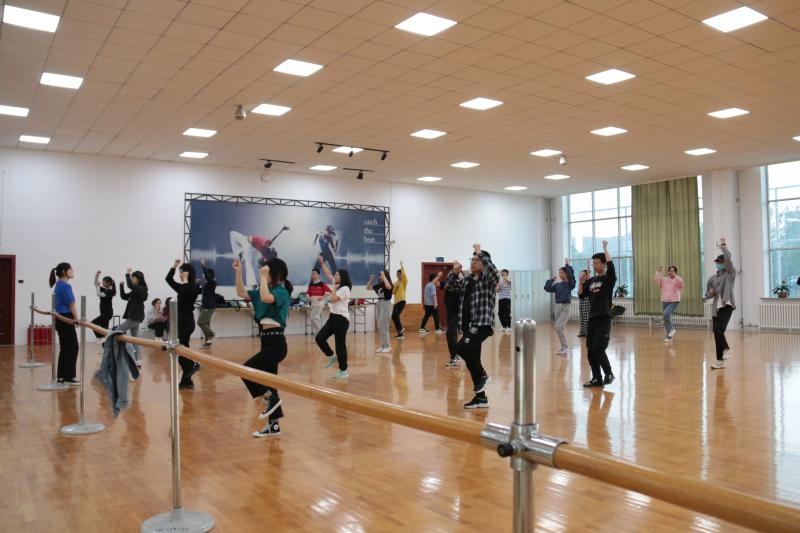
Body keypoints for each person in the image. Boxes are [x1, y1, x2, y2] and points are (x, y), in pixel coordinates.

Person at [234, 257, 292, 438]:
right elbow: (241, 292)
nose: (263, 274)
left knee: (246, 370)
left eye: (267, 272)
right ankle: (274, 426)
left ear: (277, 275)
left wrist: (263, 277)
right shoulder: (262, 291)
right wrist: (238, 272)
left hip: (277, 344)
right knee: (270, 383)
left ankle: (269, 398)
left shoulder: (281, 292)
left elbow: (266, 298)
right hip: (266, 342)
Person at [443, 244, 499, 408]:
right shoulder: (467, 280)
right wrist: (453, 272)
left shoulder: (488, 280)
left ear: (484, 262)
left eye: (476, 260)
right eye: (472, 259)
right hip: (468, 326)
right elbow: (449, 286)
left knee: (460, 348)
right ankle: (481, 398)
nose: (472, 262)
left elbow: (494, 272)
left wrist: (480, 253)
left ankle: (483, 375)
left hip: (481, 324)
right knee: (471, 361)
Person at [581, 241, 616, 388]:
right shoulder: (591, 281)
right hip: (592, 318)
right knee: (590, 351)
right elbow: (581, 295)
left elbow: (611, 266)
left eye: (597, 263)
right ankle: (597, 379)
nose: (594, 266)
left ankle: (609, 373)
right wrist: (581, 281)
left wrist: (605, 249)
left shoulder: (608, 279)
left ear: (603, 264)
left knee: (598, 348)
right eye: (593, 263)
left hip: (604, 318)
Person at [165, 260, 201, 389]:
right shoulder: (182, 287)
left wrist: (185, 279)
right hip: (181, 322)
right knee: (183, 349)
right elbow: (168, 279)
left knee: (179, 349)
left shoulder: (193, 288)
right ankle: (187, 381)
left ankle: (193, 365)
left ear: (187, 274)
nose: (179, 275)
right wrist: (174, 266)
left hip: (186, 322)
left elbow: (187, 292)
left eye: (181, 273)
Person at [315, 256, 352, 379]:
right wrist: (322, 262)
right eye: (335, 275)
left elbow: (333, 300)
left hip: (341, 319)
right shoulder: (336, 285)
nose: (335, 277)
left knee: (340, 345)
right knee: (319, 338)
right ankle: (331, 356)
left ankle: (343, 370)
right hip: (332, 318)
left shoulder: (345, 289)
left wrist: (334, 290)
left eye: (337, 275)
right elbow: (328, 274)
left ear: (342, 277)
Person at [706, 238, 736, 369]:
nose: (718, 264)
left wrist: (723, 246)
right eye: (717, 262)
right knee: (718, 333)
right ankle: (720, 361)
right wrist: (710, 293)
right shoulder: (712, 279)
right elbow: (707, 294)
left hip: (726, 306)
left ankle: (727, 349)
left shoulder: (730, 274)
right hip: (715, 309)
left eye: (720, 262)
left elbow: (728, 258)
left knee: (717, 330)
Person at [50, 263, 80, 385]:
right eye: (70, 269)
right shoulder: (65, 286)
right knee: (73, 347)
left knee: (65, 348)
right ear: (64, 271)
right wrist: (77, 319)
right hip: (65, 318)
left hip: (60, 319)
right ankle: (69, 377)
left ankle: (62, 377)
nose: (72, 271)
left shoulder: (58, 285)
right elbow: (71, 304)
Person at [544, 259, 575, 355]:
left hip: (566, 307)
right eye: (559, 273)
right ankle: (564, 347)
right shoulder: (557, 285)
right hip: (557, 307)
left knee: (558, 327)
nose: (560, 274)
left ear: (566, 274)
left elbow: (571, 276)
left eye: (562, 272)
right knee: (559, 328)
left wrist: (567, 265)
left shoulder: (569, 284)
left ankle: (565, 347)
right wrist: (551, 280)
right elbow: (547, 288)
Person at [118, 269, 148, 366]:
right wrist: (121, 287)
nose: (131, 280)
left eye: (132, 278)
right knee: (135, 338)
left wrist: (127, 273)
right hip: (134, 316)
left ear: (138, 279)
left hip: (135, 317)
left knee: (117, 331)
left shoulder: (142, 289)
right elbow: (124, 296)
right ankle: (138, 359)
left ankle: (119, 355)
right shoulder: (135, 291)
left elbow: (130, 285)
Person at [655, 265, 684, 343]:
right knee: (666, 318)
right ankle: (669, 336)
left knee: (666, 314)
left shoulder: (678, 279)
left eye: (672, 271)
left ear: (675, 272)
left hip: (674, 301)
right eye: (670, 271)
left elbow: (681, 284)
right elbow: (658, 280)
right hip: (665, 300)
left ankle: (672, 329)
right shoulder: (664, 279)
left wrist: (676, 276)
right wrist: (658, 272)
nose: (671, 272)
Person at [444, 260, 464, 368]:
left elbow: (460, 287)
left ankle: (455, 356)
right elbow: (447, 285)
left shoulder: (462, 277)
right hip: (450, 309)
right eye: (454, 266)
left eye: (458, 267)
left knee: (450, 333)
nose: (456, 268)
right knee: (453, 334)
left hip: (458, 310)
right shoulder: (451, 276)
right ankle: (456, 356)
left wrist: (458, 280)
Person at [369, 270, 393, 353]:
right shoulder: (379, 285)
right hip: (379, 304)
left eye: (381, 275)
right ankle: (383, 345)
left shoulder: (389, 284)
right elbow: (368, 288)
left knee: (384, 326)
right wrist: (370, 280)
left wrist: (384, 276)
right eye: (380, 276)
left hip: (386, 304)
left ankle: (387, 346)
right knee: (380, 326)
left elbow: (388, 287)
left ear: (385, 276)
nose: (380, 277)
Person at [198, 259, 218, 348]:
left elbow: (207, 276)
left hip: (208, 306)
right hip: (206, 306)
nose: (203, 276)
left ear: (208, 275)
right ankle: (208, 343)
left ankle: (212, 334)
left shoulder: (212, 282)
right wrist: (197, 284)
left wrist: (203, 266)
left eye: (205, 274)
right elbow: (199, 291)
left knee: (200, 322)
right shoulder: (207, 284)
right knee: (206, 324)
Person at [91, 271, 115, 341]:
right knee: (104, 331)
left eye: (104, 282)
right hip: (103, 313)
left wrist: (98, 286)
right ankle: (104, 344)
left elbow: (99, 294)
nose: (102, 283)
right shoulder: (104, 289)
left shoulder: (110, 291)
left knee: (93, 324)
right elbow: (96, 284)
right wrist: (97, 275)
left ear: (108, 283)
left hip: (107, 314)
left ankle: (100, 338)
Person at [306, 268, 331, 336]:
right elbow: (307, 293)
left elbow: (329, 292)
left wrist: (322, 297)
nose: (313, 275)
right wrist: (309, 298)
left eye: (314, 273)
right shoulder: (311, 284)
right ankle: (318, 335)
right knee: (313, 319)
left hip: (319, 302)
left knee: (315, 318)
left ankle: (319, 335)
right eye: (312, 273)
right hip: (313, 302)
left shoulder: (321, 283)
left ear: (318, 275)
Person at [391, 262, 408, 338]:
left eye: (399, 274)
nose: (398, 275)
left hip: (401, 301)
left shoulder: (404, 282)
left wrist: (401, 266)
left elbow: (404, 275)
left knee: (395, 315)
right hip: (396, 302)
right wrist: (395, 287)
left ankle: (400, 328)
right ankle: (400, 333)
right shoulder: (395, 283)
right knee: (394, 316)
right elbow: (393, 292)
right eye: (397, 274)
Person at [577, 267, 590, 337]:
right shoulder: (581, 283)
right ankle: (582, 332)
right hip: (581, 301)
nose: (582, 276)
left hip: (587, 301)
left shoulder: (588, 282)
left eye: (583, 275)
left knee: (586, 318)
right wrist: (580, 281)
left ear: (586, 276)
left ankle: (587, 332)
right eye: (581, 274)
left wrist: (587, 273)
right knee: (582, 317)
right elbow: (580, 293)